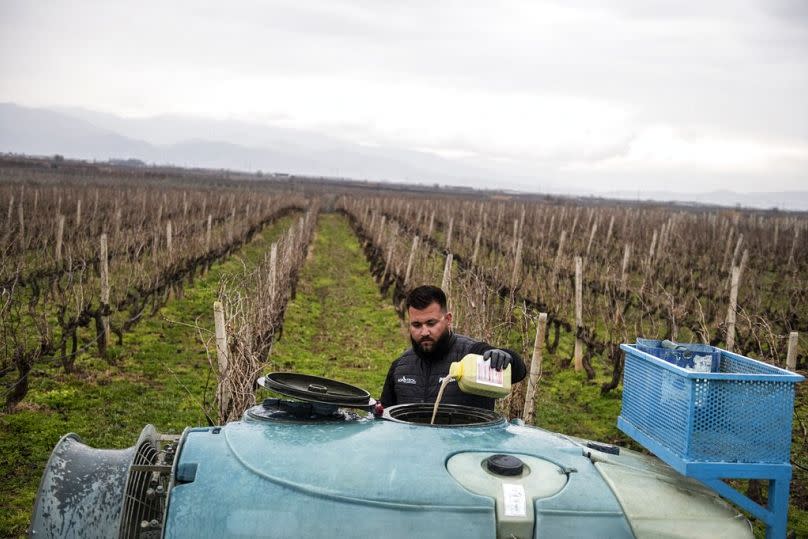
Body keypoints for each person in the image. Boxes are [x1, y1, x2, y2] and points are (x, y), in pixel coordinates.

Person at [380, 285, 526, 411]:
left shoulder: (472, 354)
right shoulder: (400, 367)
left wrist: (506, 357)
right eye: (416, 325)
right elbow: (385, 418)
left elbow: (518, 372)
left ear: (448, 320)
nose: (424, 332)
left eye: (431, 323)